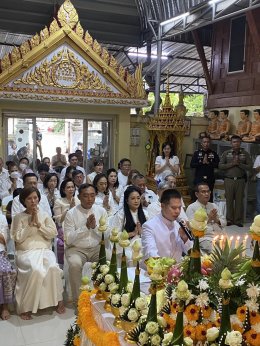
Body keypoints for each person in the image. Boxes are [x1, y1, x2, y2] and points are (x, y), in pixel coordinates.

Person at [10, 187, 65, 319]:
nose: (33, 201)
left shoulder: (45, 215)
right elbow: (17, 238)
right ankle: (26, 306)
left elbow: (53, 233)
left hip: (44, 249)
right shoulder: (18, 217)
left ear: (39, 199)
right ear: (24, 201)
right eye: (29, 198)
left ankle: (58, 300)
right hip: (25, 251)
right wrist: (30, 223)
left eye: (35, 197)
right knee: (36, 270)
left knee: (52, 268)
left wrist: (39, 225)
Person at [64, 184, 109, 302]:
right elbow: (68, 239)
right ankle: (80, 300)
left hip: (97, 248)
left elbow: (107, 235)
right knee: (74, 265)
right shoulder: (71, 213)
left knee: (110, 260)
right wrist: (85, 227)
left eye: (92, 195)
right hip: (76, 249)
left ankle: (104, 296)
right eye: (85, 196)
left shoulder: (101, 211)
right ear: (79, 197)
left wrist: (94, 227)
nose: (89, 199)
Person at [142, 189, 193, 262]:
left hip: (176, 270)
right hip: (156, 270)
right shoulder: (149, 226)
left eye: (179, 208)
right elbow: (151, 253)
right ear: (162, 206)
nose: (177, 211)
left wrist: (185, 239)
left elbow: (190, 251)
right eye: (173, 208)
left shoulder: (179, 224)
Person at [219, 135, 252, 227]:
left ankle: (238, 220)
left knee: (239, 201)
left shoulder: (245, 154)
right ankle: (229, 219)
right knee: (229, 200)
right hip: (229, 180)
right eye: (234, 142)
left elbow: (249, 167)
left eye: (238, 142)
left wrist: (240, 164)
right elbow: (220, 166)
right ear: (231, 143)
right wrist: (232, 164)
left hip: (240, 180)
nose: (236, 143)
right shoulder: (226, 153)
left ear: (240, 142)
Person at [186, 183, 226, 254]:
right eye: (203, 192)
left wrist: (216, 220)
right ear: (196, 194)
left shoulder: (213, 205)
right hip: (204, 237)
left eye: (208, 191)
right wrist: (209, 219)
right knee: (216, 251)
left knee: (231, 249)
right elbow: (192, 228)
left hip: (219, 234)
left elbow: (224, 222)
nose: (207, 194)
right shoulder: (192, 208)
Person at [53, 179, 80, 266]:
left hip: (78, 225)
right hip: (63, 227)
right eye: (68, 187)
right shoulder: (59, 201)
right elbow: (58, 220)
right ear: (63, 190)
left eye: (72, 187)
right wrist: (69, 209)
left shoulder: (78, 200)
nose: (71, 189)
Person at [190, 135, 219, 201]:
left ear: (210, 143)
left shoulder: (213, 153)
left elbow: (217, 165)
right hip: (199, 178)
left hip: (210, 179)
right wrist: (202, 163)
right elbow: (192, 165)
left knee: (209, 197)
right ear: (201, 143)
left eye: (208, 142)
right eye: (204, 142)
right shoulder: (197, 153)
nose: (206, 144)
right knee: (197, 196)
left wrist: (209, 163)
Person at [0, 213, 16, 320]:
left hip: (0, 251)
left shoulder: (1, 217)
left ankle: (4, 306)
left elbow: (3, 238)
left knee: (5, 270)